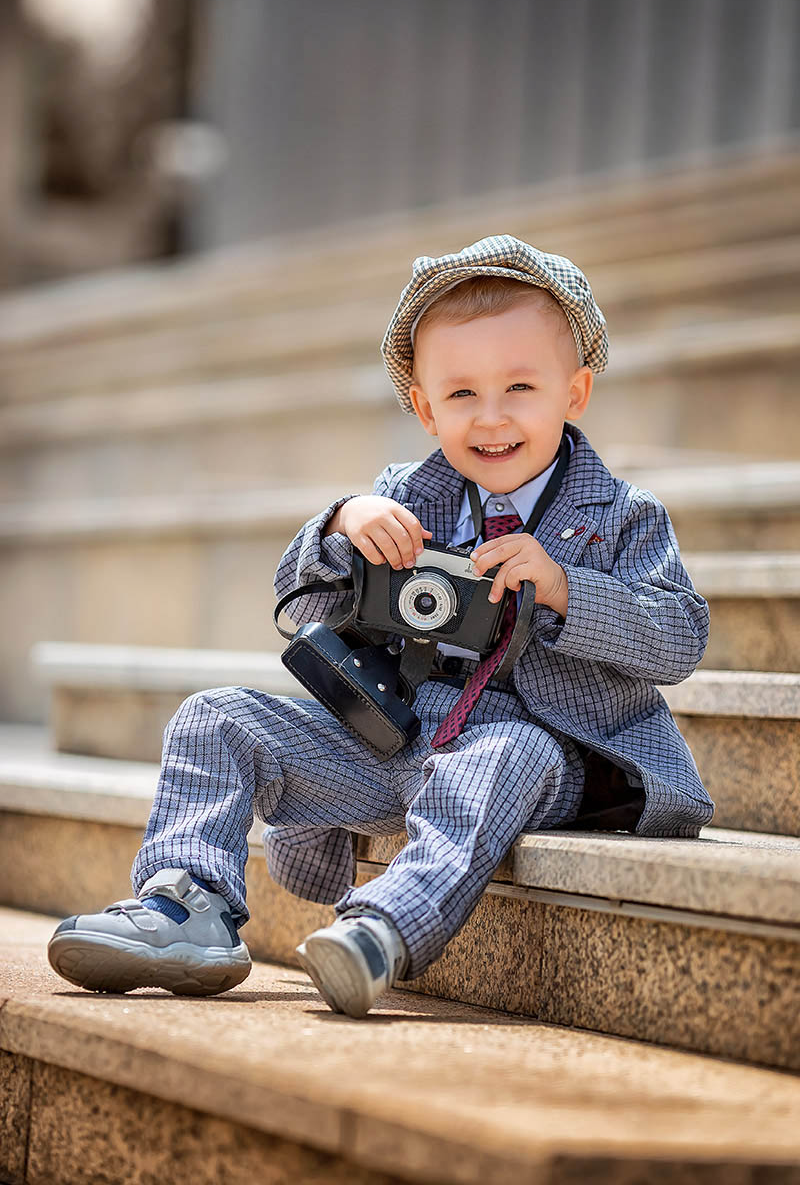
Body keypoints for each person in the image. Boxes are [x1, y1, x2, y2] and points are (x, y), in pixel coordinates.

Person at [47, 235, 714, 1017]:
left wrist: (567, 588)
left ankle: (378, 931)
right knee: (213, 716)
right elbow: (299, 601)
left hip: (540, 753)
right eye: (461, 395)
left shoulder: (624, 516)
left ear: (575, 393)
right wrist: (340, 525)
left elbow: (680, 636)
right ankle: (187, 905)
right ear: (424, 407)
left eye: (521, 387)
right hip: (388, 739)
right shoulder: (405, 496)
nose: (491, 417)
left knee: (505, 751)